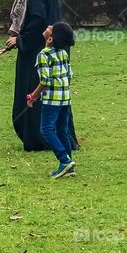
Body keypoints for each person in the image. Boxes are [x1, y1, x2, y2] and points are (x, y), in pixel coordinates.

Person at [4, 0, 77, 152]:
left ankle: (39, 138)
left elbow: (38, 22)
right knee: (54, 92)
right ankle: (59, 136)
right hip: (54, 50)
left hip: (38, 52)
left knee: (37, 92)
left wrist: (19, 40)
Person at [26, 22, 77, 178]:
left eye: (51, 29)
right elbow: (69, 76)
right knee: (62, 131)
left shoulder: (43, 55)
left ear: (51, 38)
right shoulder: (63, 53)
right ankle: (69, 165)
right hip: (65, 98)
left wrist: (33, 96)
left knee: (46, 130)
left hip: (52, 101)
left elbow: (45, 81)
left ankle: (64, 160)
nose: (48, 26)